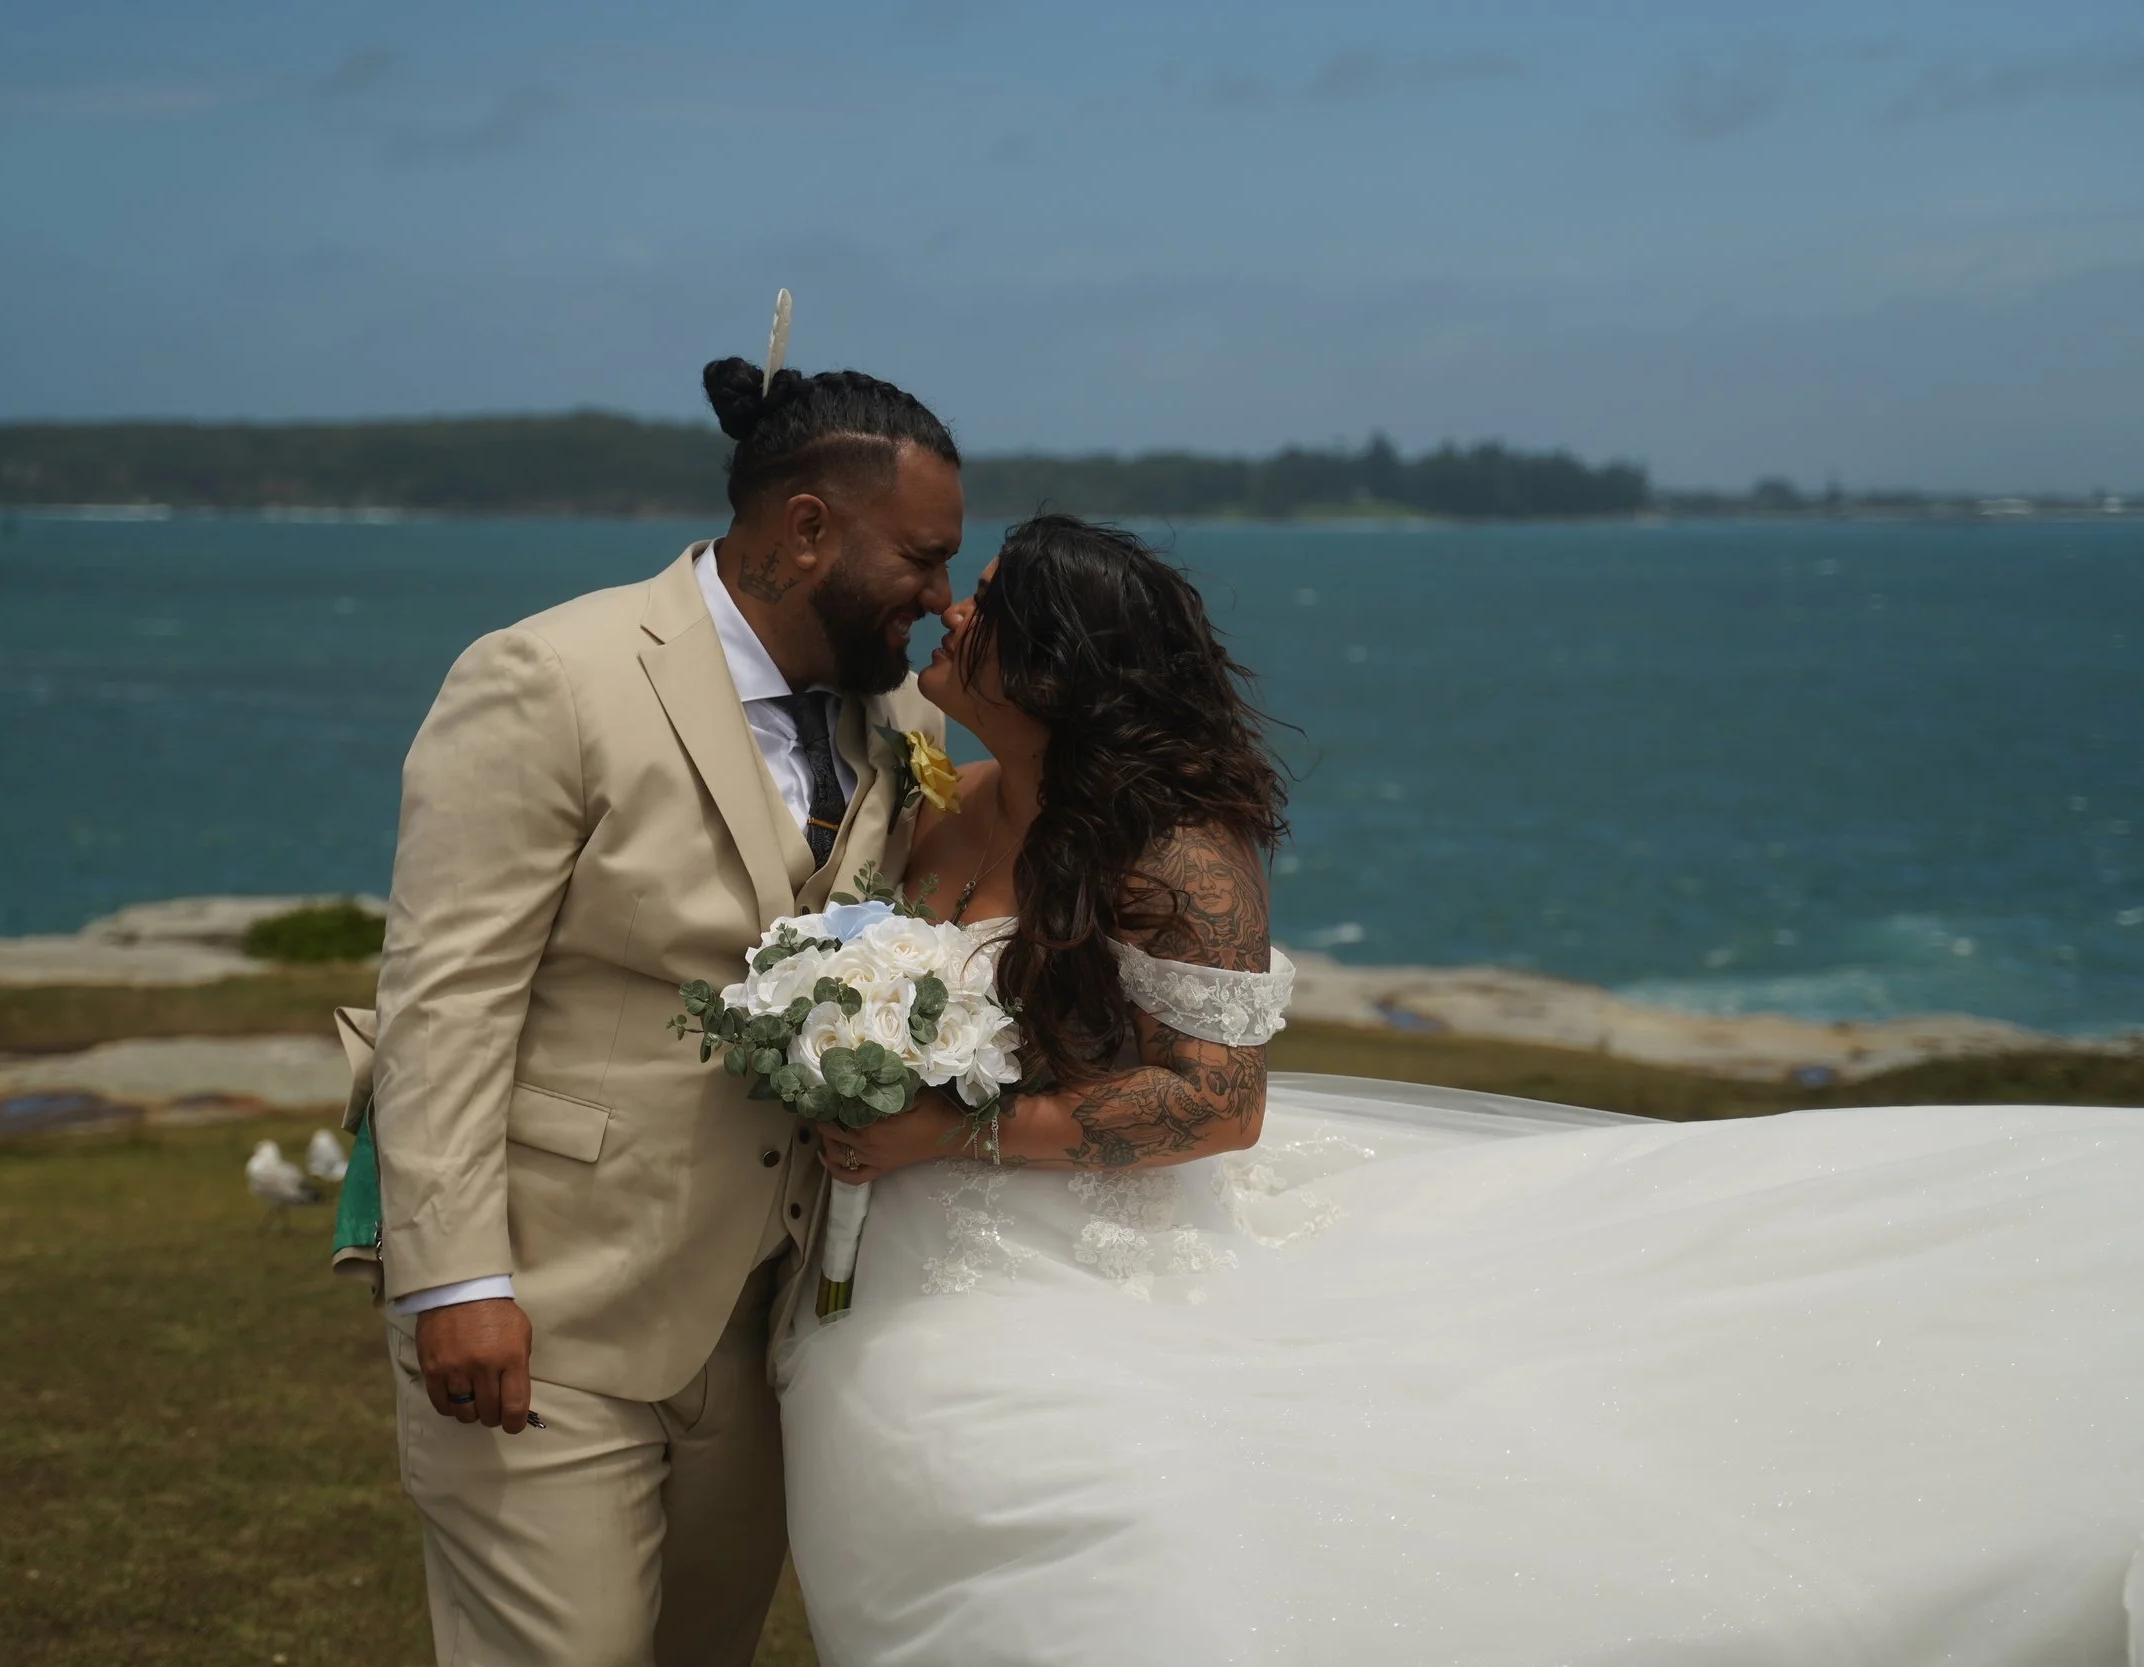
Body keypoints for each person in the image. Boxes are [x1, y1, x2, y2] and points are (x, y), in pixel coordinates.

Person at [780, 514, 2144, 1665]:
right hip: (897, 1246)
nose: (953, 616)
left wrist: (948, 1129)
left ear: (1062, 669)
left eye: (993, 606)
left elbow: (1219, 1102)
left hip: (1085, 1242)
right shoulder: (941, 795)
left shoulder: (1175, 852)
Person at [369, 354, 963, 1667]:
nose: (941, 596)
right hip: (550, 1305)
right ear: (806, 529)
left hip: (767, 1330)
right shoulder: (550, 677)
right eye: (922, 559)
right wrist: (456, 1277)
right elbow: (446, 998)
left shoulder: (900, 715)